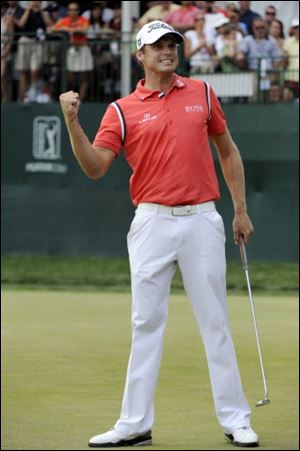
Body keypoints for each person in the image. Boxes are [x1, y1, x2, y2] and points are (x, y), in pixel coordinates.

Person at [59, 20, 258, 449]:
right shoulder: (120, 109)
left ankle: (235, 419)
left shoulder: (202, 94)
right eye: (157, 45)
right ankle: (134, 422)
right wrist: (73, 121)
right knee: (146, 322)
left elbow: (227, 151)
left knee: (215, 322)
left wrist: (240, 210)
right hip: (151, 221)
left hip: (203, 218)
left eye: (172, 43)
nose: (167, 50)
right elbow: (95, 167)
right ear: (141, 56)